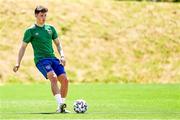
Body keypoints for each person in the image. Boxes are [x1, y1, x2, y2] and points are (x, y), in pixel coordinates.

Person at [13, 5, 70, 113]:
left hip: (53, 59)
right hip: (41, 60)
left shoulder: (50, 28)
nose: (43, 17)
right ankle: (60, 105)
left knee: (65, 80)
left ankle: (62, 107)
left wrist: (62, 55)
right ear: (35, 15)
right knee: (52, 77)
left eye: (45, 15)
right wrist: (18, 62)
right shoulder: (30, 31)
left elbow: (58, 44)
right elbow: (23, 47)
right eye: (41, 15)